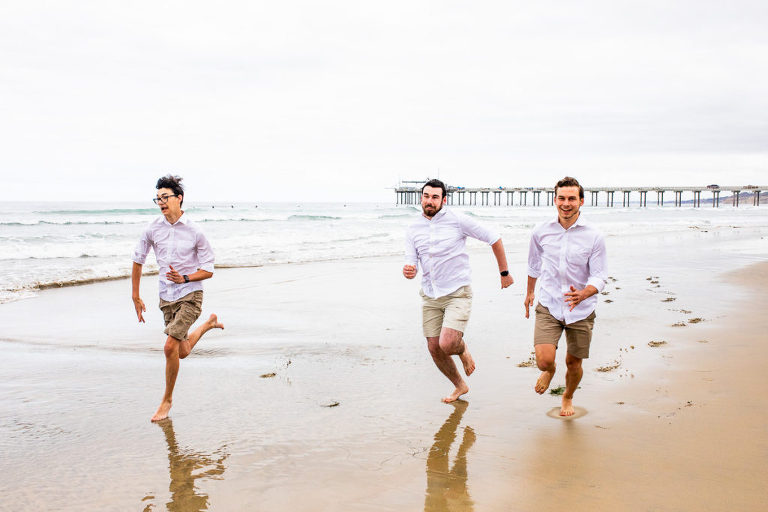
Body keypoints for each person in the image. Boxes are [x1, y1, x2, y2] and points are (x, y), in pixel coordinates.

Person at [403, 179, 514, 403]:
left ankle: (462, 349)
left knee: (448, 344)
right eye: (426, 196)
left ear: (444, 200)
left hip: (457, 292)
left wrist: (504, 273)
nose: (429, 201)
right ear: (421, 198)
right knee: (434, 347)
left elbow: (494, 238)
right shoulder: (413, 228)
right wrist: (410, 270)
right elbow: (412, 261)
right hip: (430, 294)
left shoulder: (457, 220)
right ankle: (459, 385)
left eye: (435, 197)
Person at [131, 175, 224, 422]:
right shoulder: (152, 229)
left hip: (190, 294)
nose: (161, 202)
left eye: (165, 197)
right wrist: (136, 296)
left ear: (178, 198)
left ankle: (166, 400)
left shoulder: (195, 231)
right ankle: (208, 324)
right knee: (181, 352)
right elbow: (138, 260)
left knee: (169, 346)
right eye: (157, 198)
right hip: (166, 297)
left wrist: (184, 278)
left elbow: (209, 269)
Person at [524, 176, 607, 416]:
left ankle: (567, 397)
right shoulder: (540, 231)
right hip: (549, 303)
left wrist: (584, 293)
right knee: (543, 360)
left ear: (581, 201)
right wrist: (530, 293)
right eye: (561, 198)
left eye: (572, 198)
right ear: (555, 200)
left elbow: (600, 276)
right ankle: (549, 371)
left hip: (580, 309)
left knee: (574, 363)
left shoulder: (594, 236)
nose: (566, 203)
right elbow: (533, 265)